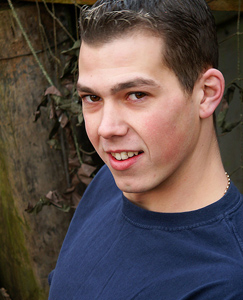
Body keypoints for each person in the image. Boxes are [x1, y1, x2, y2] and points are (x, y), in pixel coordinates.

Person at [48, 0, 243, 299]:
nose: (106, 128)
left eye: (136, 94)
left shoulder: (226, 282)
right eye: (92, 97)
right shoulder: (108, 183)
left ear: (206, 93)